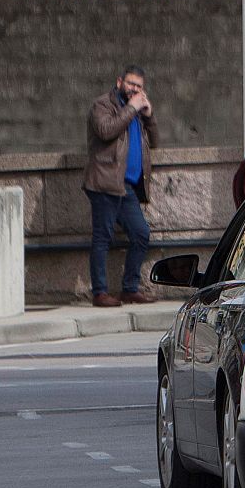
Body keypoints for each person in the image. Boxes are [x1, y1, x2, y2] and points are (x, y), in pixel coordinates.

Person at [84, 65, 161, 307]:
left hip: (127, 186)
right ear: (119, 82)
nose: (134, 89)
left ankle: (130, 288)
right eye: (130, 84)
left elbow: (156, 142)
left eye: (139, 86)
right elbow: (106, 130)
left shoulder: (137, 112)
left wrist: (149, 115)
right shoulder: (103, 105)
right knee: (102, 237)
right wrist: (132, 108)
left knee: (141, 234)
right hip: (105, 183)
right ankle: (100, 292)